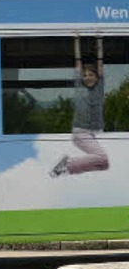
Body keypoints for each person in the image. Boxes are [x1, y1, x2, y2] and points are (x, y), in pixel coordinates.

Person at [50, 37, 109, 177]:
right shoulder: (80, 87)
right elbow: (78, 62)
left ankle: (67, 170)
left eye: (91, 74)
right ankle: (67, 163)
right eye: (85, 75)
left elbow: (100, 62)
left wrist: (99, 40)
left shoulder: (99, 88)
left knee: (104, 165)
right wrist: (77, 40)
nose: (88, 77)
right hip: (80, 132)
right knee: (102, 157)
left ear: (96, 77)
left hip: (92, 133)